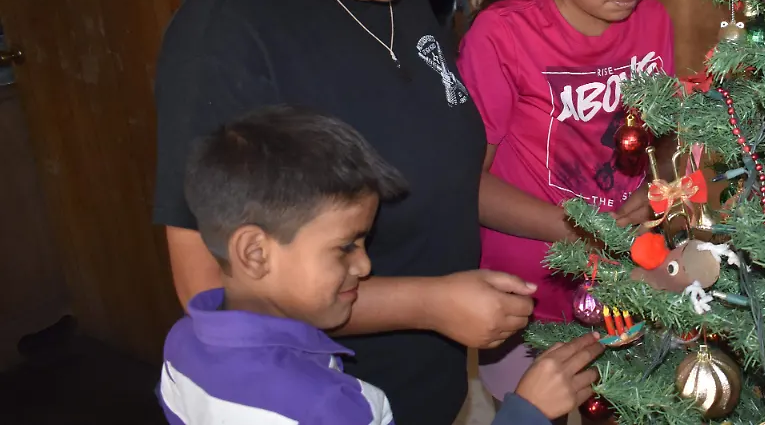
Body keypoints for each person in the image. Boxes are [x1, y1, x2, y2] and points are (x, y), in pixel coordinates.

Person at [152, 0, 573, 422]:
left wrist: (573, 226)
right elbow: (214, 290)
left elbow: (441, 169)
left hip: (432, 388)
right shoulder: (226, 36)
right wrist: (431, 302)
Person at [158, 107, 602, 425]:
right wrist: (528, 411)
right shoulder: (328, 407)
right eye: (345, 247)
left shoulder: (181, 345)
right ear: (255, 253)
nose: (365, 265)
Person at [456, 0, 677, 401]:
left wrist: (661, 184)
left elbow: (665, 137)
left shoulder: (652, 24)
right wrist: (575, 230)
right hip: (525, 296)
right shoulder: (501, 37)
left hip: (627, 278)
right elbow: (464, 186)